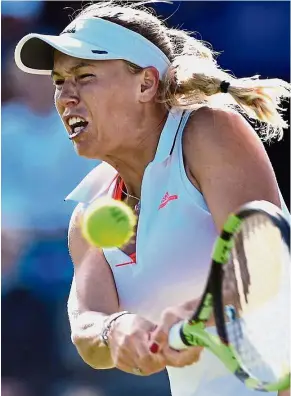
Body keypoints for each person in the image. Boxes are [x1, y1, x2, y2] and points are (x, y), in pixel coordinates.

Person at [15, 2, 290, 396]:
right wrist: (115, 330)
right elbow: (86, 325)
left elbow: (263, 263)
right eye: (59, 81)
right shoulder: (89, 212)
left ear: (145, 84)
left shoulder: (207, 131)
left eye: (85, 76)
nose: (65, 97)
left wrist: (199, 311)